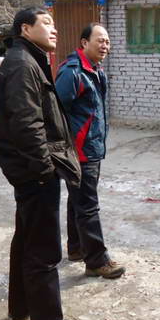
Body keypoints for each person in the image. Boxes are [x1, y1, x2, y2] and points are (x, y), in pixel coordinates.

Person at [0, 7, 93, 320]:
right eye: (46, 23)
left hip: (30, 171)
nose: (54, 29)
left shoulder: (27, 59)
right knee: (44, 251)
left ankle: (21, 306)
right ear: (25, 29)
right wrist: (44, 169)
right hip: (35, 173)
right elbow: (26, 124)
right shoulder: (23, 64)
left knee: (26, 239)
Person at [55, 23, 125, 279]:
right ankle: (96, 260)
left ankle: (76, 248)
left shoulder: (94, 70)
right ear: (84, 43)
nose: (105, 45)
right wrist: (67, 146)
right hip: (80, 151)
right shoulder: (73, 72)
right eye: (100, 40)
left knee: (78, 200)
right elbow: (56, 112)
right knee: (88, 205)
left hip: (91, 147)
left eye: (107, 41)